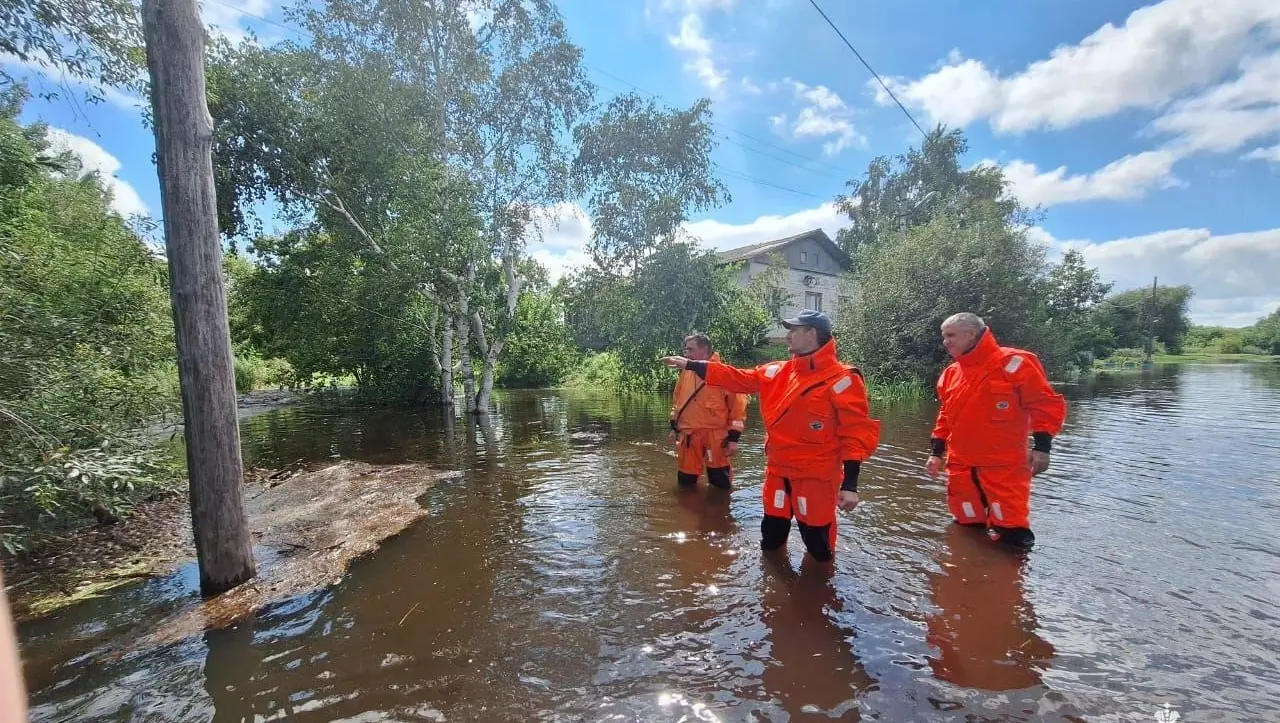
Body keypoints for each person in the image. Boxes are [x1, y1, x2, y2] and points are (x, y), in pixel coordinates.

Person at [663, 310, 880, 563]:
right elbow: (737, 377)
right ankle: (776, 594)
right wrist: (690, 364)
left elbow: (855, 433)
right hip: (778, 472)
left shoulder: (843, 378)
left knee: (818, 546)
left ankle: (819, 592)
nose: (787, 336)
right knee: (771, 540)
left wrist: (850, 485)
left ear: (811, 334)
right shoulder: (777, 371)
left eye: (793, 331)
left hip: (816, 478)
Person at [924, 312, 1067, 550]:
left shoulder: (1015, 363)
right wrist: (936, 452)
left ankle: (1011, 582)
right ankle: (969, 577)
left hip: (1003, 466)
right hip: (962, 467)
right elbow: (945, 417)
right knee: (966, 527)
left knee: (1011, 534)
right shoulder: (951, 374)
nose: (945, 342)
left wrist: (1042, 447)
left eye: (950, 335)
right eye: (944, 336)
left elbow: (1045, 405)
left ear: (970, 335)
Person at [668, 333, 749, 490]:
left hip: (715, 437)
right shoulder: (686, 373)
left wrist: (733, 439)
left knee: (720, 483)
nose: (687, 354)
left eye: (690, 350)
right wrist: (673, 427)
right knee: (686, 482)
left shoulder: (723, 373)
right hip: (689, 436)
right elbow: (678, 401)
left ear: (704, 350)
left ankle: (719, 512)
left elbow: (738, 409)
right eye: (686, 350)